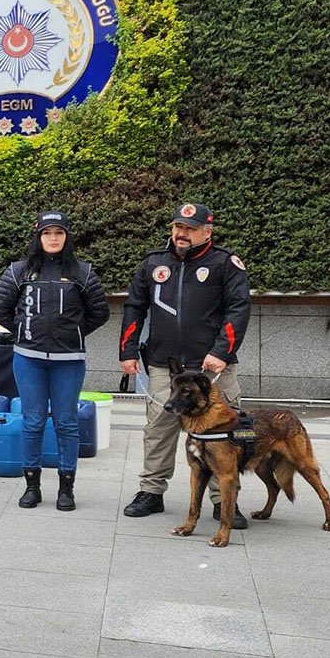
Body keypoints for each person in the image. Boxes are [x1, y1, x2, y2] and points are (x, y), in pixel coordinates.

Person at [120, 202, 252, 524]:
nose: (182, 233)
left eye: (190, 229)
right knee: (158, 430)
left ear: (207, 232)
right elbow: (134, 307)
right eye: (178, 227)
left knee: (223, 433)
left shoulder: (225, 263)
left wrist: (222, 350)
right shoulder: (153, 263)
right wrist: (127, 350)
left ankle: (224, 501)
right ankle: (151, 491)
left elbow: (239, 309)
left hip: (212, 368)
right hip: (166, 366)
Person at [0, 211, 110, 512]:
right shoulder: (18, 272)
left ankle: (66, 489)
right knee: (33, 422)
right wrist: (24, 332)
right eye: (47, 233)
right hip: (28, 359)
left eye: (58, 232)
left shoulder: (83, 272)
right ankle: (32, 486)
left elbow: (100, 313)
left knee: (67, 423)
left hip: (68, 360)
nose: (53, 238)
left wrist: (72, 332)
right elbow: (0, 310)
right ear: (38, 236)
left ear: (67, 237)